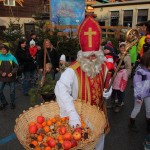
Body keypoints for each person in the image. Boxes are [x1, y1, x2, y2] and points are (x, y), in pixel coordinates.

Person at [55, 15, 112, 150]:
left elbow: (106, 84)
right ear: (82, 54)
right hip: (80, 117)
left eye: (95, 55)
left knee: (99, 144)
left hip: (99, 116)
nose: (92, 59)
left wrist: (109, 91)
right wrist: (71, 112)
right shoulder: (72, 71)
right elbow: (60, 89)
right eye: (88, 56)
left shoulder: (103, 66)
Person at [129, 52, 150, 132]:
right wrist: (138, 96)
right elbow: (137, 84)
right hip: (140, 95)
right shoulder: (140, 71)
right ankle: (131, 123)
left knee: (149, 109)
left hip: (148, 93)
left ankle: (148, 123)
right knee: (137, 109)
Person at [0, 44, 18, 109]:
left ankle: (12, 103)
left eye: (4, 49)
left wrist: (12, 73)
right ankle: (4, 102)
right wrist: (1, 73)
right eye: (1, 49)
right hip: (2, 78)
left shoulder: (12, 57)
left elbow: (16, 66)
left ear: (7, 50)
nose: (3, 50)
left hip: (11, 77)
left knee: (12, 91)